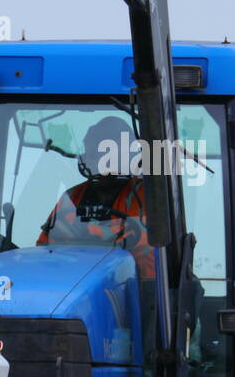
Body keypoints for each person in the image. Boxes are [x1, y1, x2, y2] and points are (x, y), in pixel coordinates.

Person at [37, 116, 155, 278]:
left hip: (138, 291)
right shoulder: (72, 197)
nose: (94, 159)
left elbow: (144, 245)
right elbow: (44, 246)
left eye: (103, 153)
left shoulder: (144, 195)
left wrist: (85, 233)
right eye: (91, 153)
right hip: (73, 284)